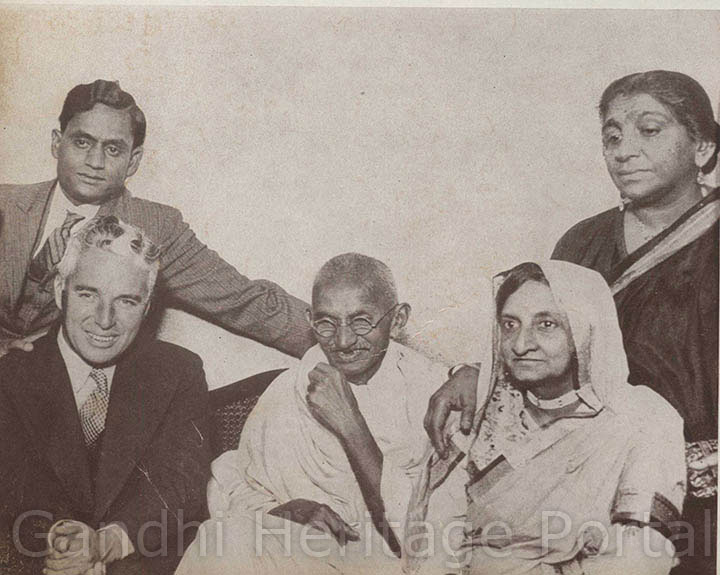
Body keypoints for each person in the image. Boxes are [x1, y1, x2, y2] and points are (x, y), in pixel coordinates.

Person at [424, 71, 719, 574]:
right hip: (582, 477)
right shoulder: (583, 243)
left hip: (696, 493)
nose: (624, 151)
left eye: (649, 130)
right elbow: (544, 333)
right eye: (612, 136)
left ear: (703, 147)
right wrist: (478, 372)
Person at [174, 253, 456, 575]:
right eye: (326, 323)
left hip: (398, 565)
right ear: (310, 319)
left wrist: (350, 423)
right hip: (312, 559)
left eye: (361, 321)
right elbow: (239, 484)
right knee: (224, 538)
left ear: (398, 319)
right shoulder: (289, 391)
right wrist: (284, 512)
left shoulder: (435, 394)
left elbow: (429, 536)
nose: (343, 341)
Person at [0, 79, 314, 360]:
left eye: (113, 149)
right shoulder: (5, 204)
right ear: (57, 143)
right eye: (82, 142)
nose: (95, 161)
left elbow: (244, 302)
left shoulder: (156, 226)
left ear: (133, 161)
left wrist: (337, 338)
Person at [407, 261, 686, 575]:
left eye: (546, 324)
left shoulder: (642, 418)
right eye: (510, 324)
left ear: (584, 329)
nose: (521, 344)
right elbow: (436, 533)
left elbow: (640, 558)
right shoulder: (479, 408)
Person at [0, 216, 211, 575]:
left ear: (147, 305)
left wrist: (106, 543)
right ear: (60, 290)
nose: (104, 319)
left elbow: (180, 483)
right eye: (88, 294)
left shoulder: (179, 372)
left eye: (126, 301)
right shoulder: (11, 376)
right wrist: (68, 543)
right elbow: (14, 484)